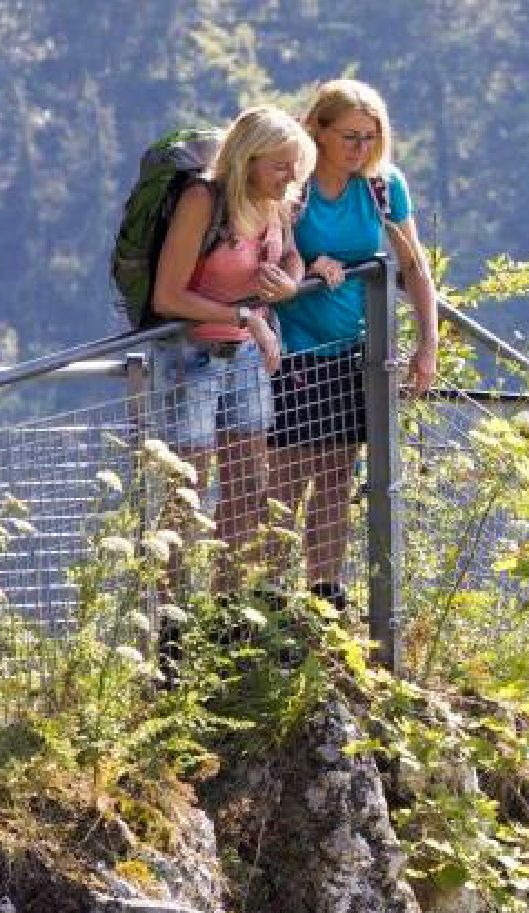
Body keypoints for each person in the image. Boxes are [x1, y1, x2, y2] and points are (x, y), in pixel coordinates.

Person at [271, 80, 440, 611]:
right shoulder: (291, 190)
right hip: (290, 351)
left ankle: (324, 594)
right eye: (349, 136)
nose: (360, 148)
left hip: (353, 352)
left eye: (370, 137)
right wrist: (305, 268)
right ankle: (266, 599)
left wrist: (427, 343)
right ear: (317, 130)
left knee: (337, 475)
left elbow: (414, 267)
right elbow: (265, 264)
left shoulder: (383, 188)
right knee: (285, 478)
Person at [151, 105, 312, 589]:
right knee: (188, 490)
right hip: (192, 356)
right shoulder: (203, 200)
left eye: (295, 166)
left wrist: (291, 282)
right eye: (280, 166)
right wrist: (245, 316)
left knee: (247, 487)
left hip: (246, 356)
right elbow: (168, 295)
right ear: (248, 159)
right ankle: (173, 629)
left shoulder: (274, 202)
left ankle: (227, 614)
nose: (290, 178)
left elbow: (289, 254)